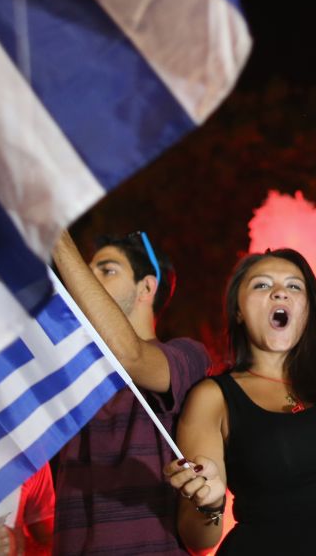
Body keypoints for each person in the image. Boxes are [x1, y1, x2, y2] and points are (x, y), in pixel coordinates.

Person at [163, 105, 316, 555]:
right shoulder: (215, 397)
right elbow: (197, 538)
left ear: (308, 308)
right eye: (262, 285)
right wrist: (206, 504)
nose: (279, 294)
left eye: (293, 287)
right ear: (239, 311)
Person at [51, 230, 210, 554]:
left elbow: (130, 357)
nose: (86, 281)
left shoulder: (188, 355)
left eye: (106, 270)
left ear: (147, 288)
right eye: (87, 271)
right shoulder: (71, 375)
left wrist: (54, 238)